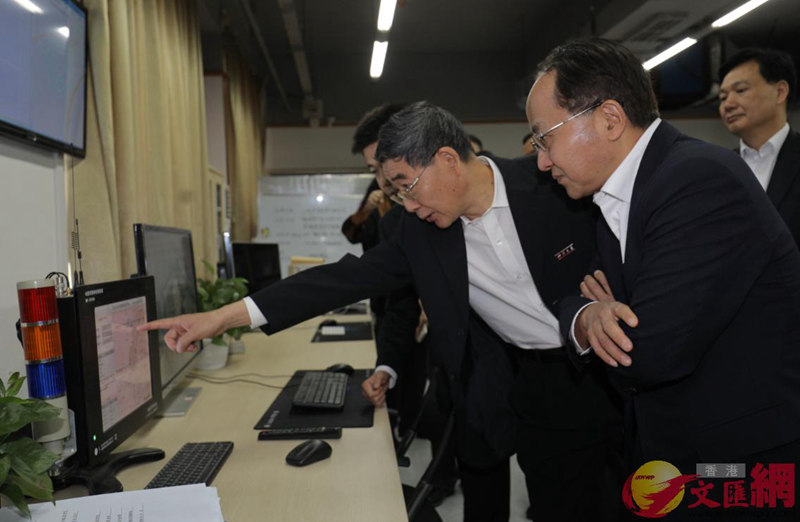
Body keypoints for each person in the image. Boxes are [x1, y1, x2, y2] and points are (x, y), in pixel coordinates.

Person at [141, 101, 623, 522]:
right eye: (394, 194)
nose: (406, 206)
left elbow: (621, 239)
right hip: (513, 378)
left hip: (598, 370)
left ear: (448, 160)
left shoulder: (550, 184)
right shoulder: (422, 232)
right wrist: (222, 317)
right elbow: (338, 280)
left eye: (405, 186)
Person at [527, 38, 800, 518]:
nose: (541, 162)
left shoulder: (696, 180)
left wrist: (607, 322)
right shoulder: (614, 195)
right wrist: (591, 315)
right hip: (670, 450)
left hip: (737, 464)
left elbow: (648, 353)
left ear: (609, 119)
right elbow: (574, 293)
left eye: (544, 138)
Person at [718, 47, 800, 246]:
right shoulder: (718, 169)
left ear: (780, 92)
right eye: (722, 97)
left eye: (740, 90)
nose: (728, 104)